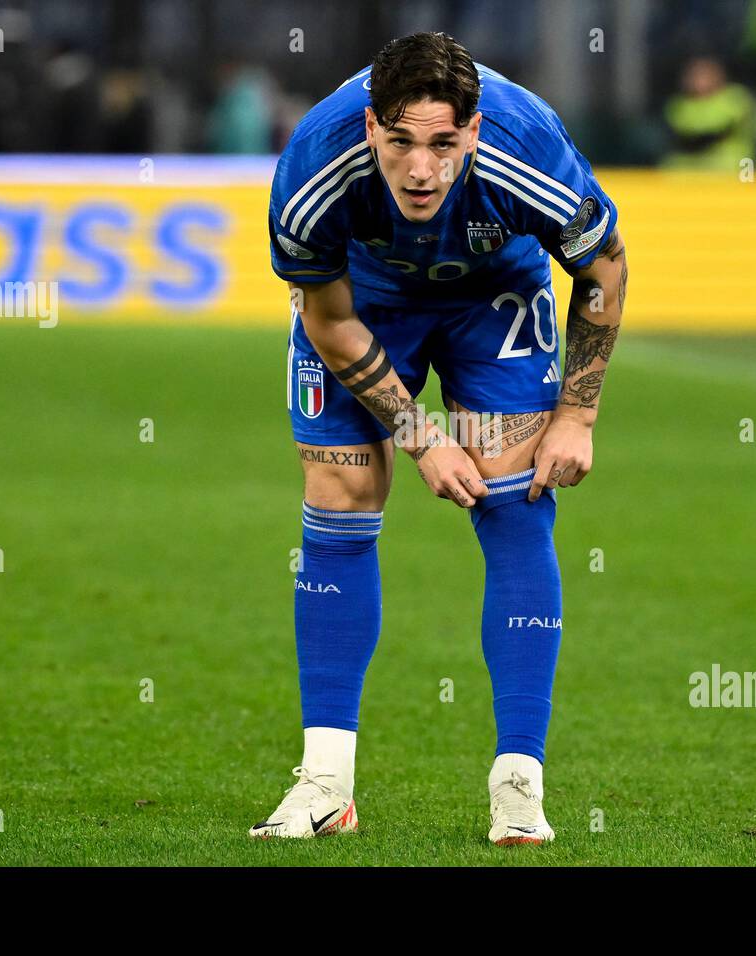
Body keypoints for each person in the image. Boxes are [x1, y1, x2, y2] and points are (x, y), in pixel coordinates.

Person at [252, 32, 626, 845]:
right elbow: (328, 315)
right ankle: (325, 786)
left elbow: (603, 271)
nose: (420, 169)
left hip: (491, 301)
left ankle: (519, 784)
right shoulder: (313, 168)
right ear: (369, 130)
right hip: (365, 305)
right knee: (339, 495)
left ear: (477, 131)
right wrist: (422, 437)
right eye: (400, 143)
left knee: (515, 499)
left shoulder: (530, 148)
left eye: (444, 144)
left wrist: (578, 414)